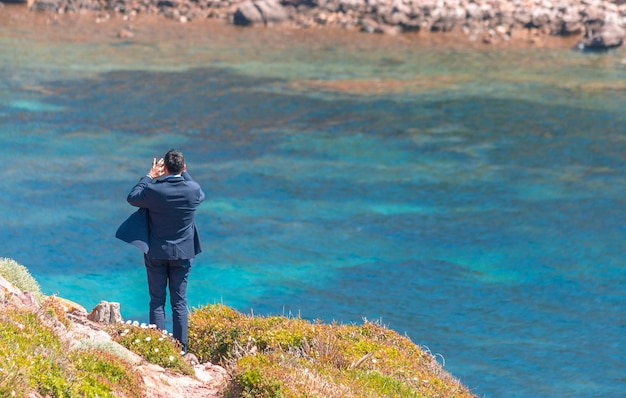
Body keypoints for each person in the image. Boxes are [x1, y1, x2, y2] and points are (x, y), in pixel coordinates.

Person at [122, 149, 205, 354]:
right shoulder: (194, 190)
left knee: (157, 301)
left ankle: (159, 348)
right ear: (184, 168)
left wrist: (150, 175)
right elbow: (199, 193)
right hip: (183, 254)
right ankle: (181, 350)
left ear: (164, 168)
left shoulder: (154, 190)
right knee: (179, 302)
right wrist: (183, 172)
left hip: (156, 253)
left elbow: (132, 197)